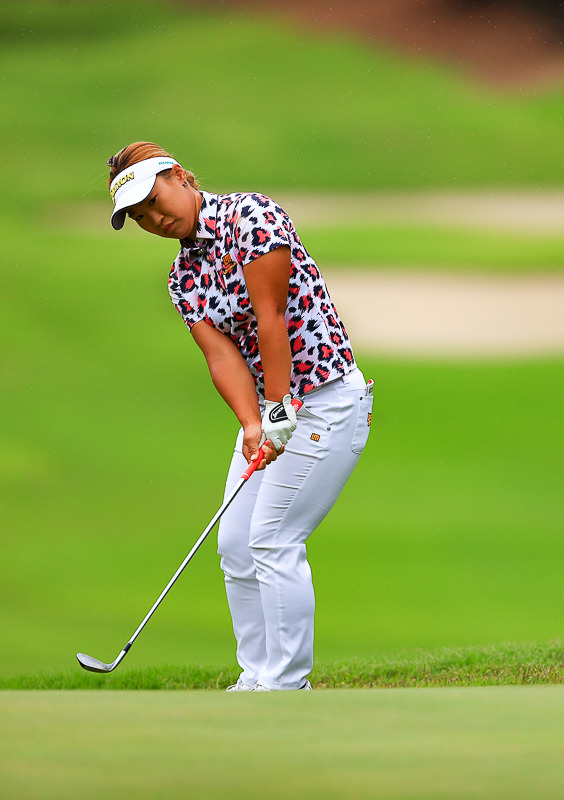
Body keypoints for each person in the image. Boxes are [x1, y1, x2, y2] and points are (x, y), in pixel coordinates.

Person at [107, 142, 373, 691]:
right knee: (235, 545)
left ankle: (286, 682)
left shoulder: (252, 216)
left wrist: (277, 406)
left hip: (324, 400)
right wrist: (253, 422)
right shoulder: (183, 279)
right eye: (140, 218)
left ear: (179, 177)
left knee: (274, 539)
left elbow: (270, 316)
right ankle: (255, 676)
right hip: (272, 411)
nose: (156, 219)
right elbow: (222, 356)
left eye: (156, 201)